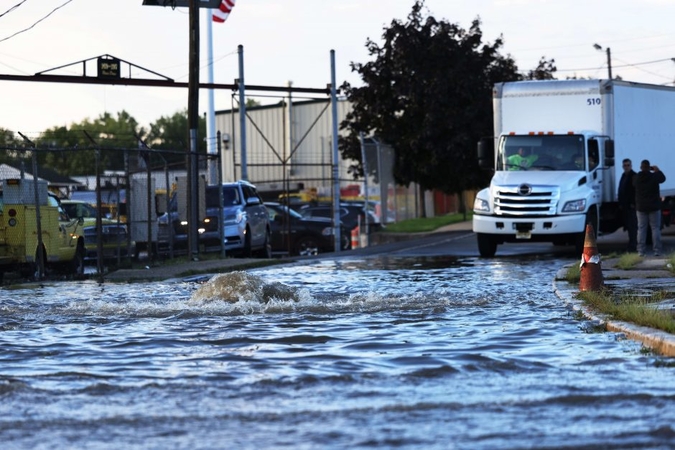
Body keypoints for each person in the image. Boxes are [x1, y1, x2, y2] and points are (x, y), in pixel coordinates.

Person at [633, 159, 666, 256]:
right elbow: (663, 179)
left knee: (641, 229)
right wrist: (657, 170)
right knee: (655, 228)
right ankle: (657, 250)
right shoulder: (654, 176)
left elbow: (633, 183)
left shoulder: (636, 178)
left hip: (641, 207)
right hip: (654, 207)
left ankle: (641, 251)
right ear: (649, 167)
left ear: (641, 167)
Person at [618, 158, 637, 252]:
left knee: (633, 227)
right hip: (625, 206)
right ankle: (631, 244)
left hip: (631, 206)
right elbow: (621, 189)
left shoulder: (634, 176)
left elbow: (636, 191)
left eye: (628, 165)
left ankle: (633, 246)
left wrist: (633, 203)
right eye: (625, 165)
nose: (626, 167)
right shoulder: (623, 176)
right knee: (629, 226)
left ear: (631, 166)